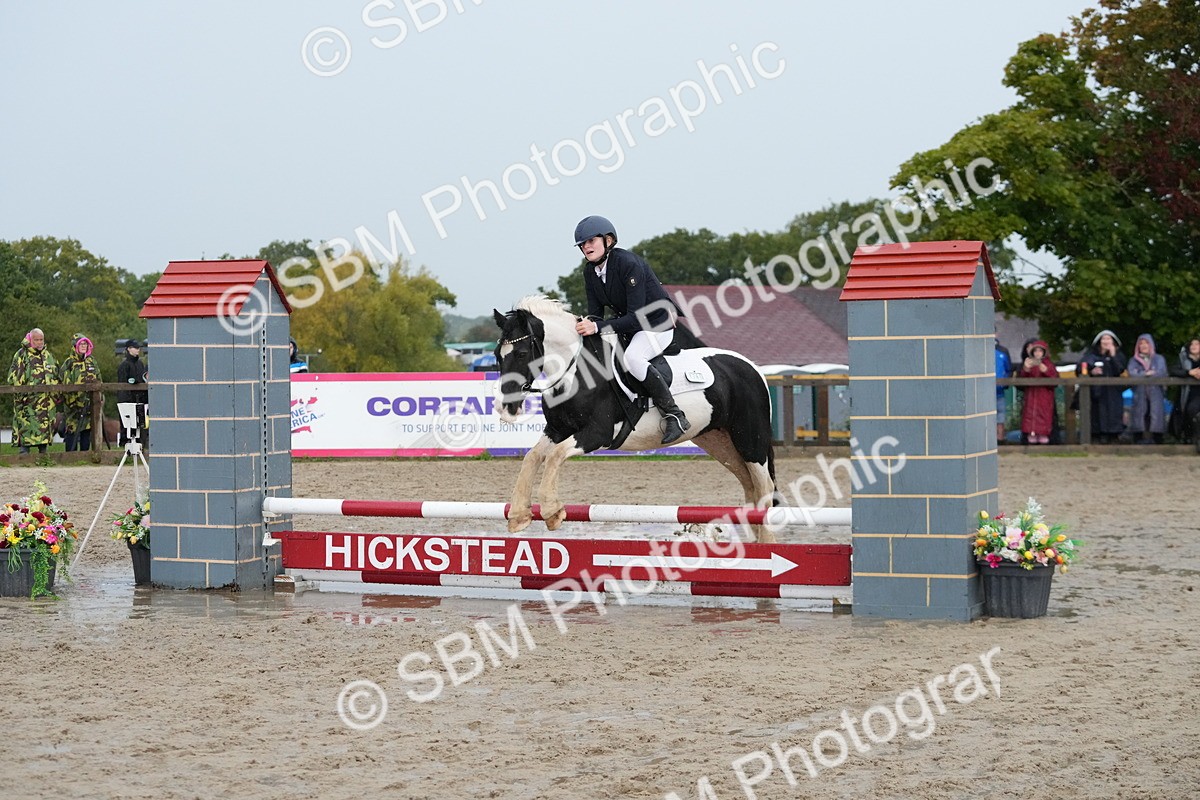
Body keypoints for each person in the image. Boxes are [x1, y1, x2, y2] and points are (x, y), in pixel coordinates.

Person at [571, 215, 689, 444]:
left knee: (633, 358)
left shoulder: (628, 264)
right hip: (629, 327)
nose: (586, 247)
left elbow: (635, 318)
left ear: (608, 240)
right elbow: (595, 313)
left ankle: (675, 414)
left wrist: (596, 326)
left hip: (656, 324)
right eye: (582, 244)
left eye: (591, 241)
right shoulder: (590, 272)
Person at [7, 328, 58, 454]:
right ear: (31, 339)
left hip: (46, 404)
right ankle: (24, 458)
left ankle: (43, 458)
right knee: (26, 432)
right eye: (36, 340)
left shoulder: (48, 356)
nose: (39, 342)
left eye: (41, 340)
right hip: (27, 403)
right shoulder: (21, 354)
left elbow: (56, 375)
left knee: (44, 434)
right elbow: (12, 378)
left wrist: (56, 393)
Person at [1077, 329, 1128, 444]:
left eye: (1108, 338)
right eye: (1103, 338)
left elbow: (1119, 370)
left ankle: (1114, 437)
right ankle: (1097, 437)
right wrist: (1091, 371)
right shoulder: (1091, 355)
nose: (1106, 341)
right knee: (1097, 416)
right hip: (1097, 392)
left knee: (1114, 415)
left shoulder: (1119, 355)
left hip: (1114, 393)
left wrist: (1113, 355)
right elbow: (1080, 368)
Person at [58, 333, 101, 452]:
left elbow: (99, 380)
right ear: (75, 346)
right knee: (71, 431)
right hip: (73, 407)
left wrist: (98, 399)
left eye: (85, 343)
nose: (83, 346)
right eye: (81, 343)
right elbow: (64, 383)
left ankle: (85, 457)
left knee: (86, 431)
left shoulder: (92, 361)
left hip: (89, 405)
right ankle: (70, 457)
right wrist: (72, 402)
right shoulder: (69, 363)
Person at [1126, 333, 1168, 444]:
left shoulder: (1159, 359)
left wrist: (1143, 374)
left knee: (1155, 414)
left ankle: (1157, 440)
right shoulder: (1133, 361)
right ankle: (1138, 439)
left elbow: (1161, 372)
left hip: (1155, 392)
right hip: (1140, 393)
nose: (1143, 345)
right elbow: (1132, 374)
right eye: (1141, 343)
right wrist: (1146, 374)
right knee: (1139, 415)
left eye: (1146, 343)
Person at [1017, 339, 1059, 444]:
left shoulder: (1049, 364)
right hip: (1031, 397)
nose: (1037, 353)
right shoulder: (1029, 364)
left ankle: (1044, 438)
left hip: (1044, 398)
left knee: (1044, 417)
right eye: (1035, 351)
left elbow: (1055, 380)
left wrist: (1045, 370)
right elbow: (1021, 381)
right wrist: (1026, 369)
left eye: (1040, 351)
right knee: (1030, 416)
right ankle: (1031, 437)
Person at [116, 338, 149, 447]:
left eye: (138, 348)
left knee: (139, 424)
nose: (137, 350)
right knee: (127, 424)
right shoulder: (124, 365)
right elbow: (122, 384)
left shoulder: (140, 364)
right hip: (128, 399)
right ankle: (125, 444)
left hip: (139, 398)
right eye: (135, 348)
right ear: (129, 349)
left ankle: (139, 445)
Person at [1170, 337, 1200, 443]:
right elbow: (1173, 370)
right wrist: (1189, 373)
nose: (1194, 346)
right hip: (1187, 394)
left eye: (1197, 344)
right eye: (1192, 344)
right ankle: (1190, 438)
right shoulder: (1183, 358)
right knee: (1189, 412)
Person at [994, 339, 1012, 443]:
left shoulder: (1003, 351)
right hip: (983, 393)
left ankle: (1000, 438)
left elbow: (1009, 369)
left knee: (1000, 416)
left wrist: (1005, 383)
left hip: (999, 391)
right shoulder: (979, 349)